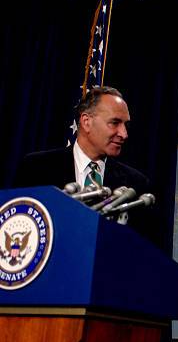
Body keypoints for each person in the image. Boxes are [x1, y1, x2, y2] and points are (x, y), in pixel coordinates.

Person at [13, 86, 152, 234]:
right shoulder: (36, 168)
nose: (124, 134)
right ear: (86, 122)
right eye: (115, 123)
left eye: (126, 125)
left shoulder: (136, 184)